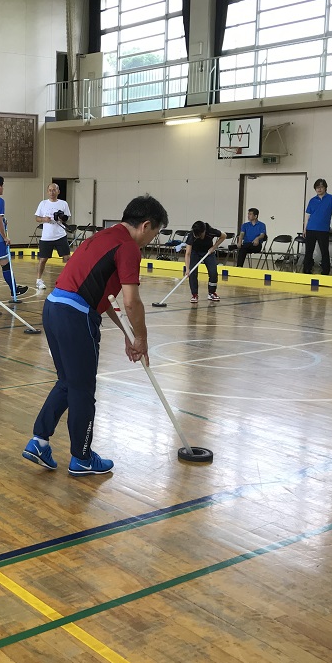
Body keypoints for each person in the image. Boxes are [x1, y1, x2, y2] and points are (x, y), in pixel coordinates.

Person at [23, 195, 167, 476]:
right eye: (155, 233)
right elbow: (131, 301)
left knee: (68, 382)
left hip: (54, 307)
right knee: (82, 390)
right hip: (76, 315)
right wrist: (142, 339)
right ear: (146, 225)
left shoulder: (104, 237)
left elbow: (107, 296)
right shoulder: (128, 247)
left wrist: (127, 333)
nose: (153, 240)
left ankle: (39, 441)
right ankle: (82, 457)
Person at [34, 183, 72, 290]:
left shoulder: (63, 204)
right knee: (43, 259)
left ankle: (68, 278)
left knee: (67, 258)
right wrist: (43, 219)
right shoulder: (43, 203)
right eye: (50, 190)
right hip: (47, 237)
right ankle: (39, 280)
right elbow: (37, 218)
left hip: (60, 235)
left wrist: (61, 218)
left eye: (54, 190)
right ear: (47, 192)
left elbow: (66, 218)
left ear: (58, 192)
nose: (52, 192)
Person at [302, 178, 332, 275]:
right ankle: (306, 269)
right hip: (310, 229)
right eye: (317, 187)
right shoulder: (312, 200)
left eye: (321, 187)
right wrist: (304, 229)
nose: (319, 189)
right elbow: (307, 215)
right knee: (309, 251)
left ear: (325, 188)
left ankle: (326, 271)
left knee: (324, 251)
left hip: (323, 230)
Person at [184, 221, 226, 303]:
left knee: (213, 272)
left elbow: (224, 236)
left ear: (204, 231)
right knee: (192, 273)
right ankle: (194, 295)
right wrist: (187, 269)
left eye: (200, 235)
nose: (198, 237)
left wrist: (214, 247)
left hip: (208, 252)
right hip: (195, 253)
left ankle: (212, 293)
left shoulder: (211, 231)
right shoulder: (191, 236)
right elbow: (188, 253)